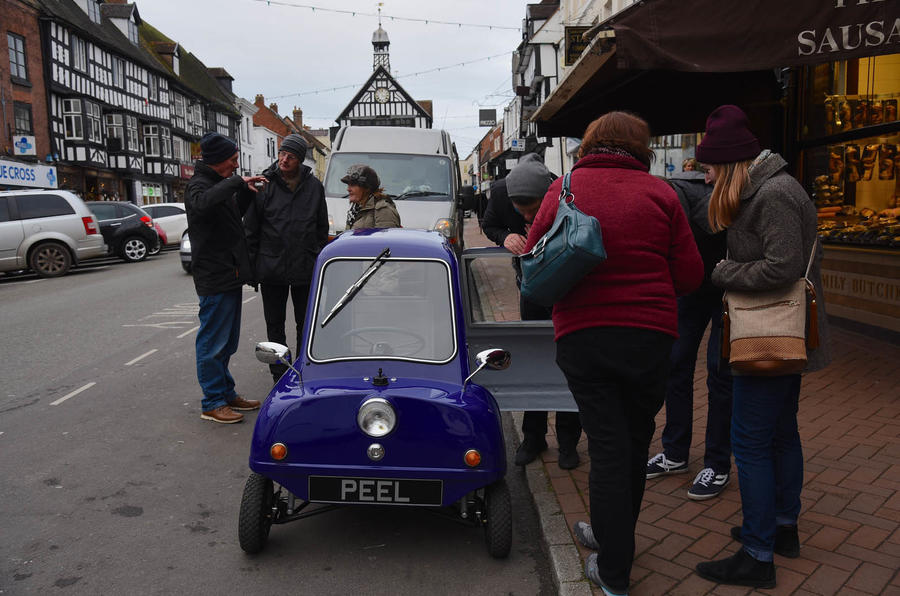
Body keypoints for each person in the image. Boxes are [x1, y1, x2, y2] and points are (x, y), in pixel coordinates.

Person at [525, 112, 703, 596]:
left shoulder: (566, 187)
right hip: (650, 337)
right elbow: (690, 275)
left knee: (605, 446)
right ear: (641, 146)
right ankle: (613, 539)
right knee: (635, 440)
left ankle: (614, 568)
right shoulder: (663, 194)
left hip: (584, 335)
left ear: (590, 142)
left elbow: (538, 248)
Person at [694, 105, 831, 588]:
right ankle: (781, 528)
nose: (706, 179)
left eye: (709, 169)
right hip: (778, 335)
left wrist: (723, 273)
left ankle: (757, 553)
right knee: (778, 434)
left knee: (750, 443)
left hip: (768, 337)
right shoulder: (767, 189)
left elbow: (782, 266)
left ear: (730, 163)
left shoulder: (772, 194)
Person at [482, 153, 582, 470]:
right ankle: (533, 437)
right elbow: (489, 224)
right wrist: (505, 236)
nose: (526, 217)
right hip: (530, 286)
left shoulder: (564, 192)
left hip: (566, 285)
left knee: (568, 359)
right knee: (534, 357)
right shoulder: (498, 193)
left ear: (548, 197)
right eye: (520, 211)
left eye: (533, 209)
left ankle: (568, 441)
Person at [646, 165, 734, 500]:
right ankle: (675, 453)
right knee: (675, 364)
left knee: (720, 372)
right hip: (692, 286)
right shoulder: (659, 200)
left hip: (728, 286)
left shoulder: (699, 206)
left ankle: (717, 463)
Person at [185, 132, 267, 424]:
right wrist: (235, 183)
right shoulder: (199, 185)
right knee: (213, 343)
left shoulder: (218, 184)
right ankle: (212, 402)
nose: (235, 165)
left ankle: (226, 393)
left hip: (229, 274)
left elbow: (231, 217)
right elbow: (202, 205)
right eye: (232, 160)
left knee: (227, 341)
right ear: (218, 161)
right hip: (214, 276)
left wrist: (245, 192)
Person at [244, 134, 329, 382]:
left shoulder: (314, 187)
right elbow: (252, 228)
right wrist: (252, 270)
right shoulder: (264, 184)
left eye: (290, 156)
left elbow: (321, 228)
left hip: (305, 266)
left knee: (305, 324)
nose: (284, 159)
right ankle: (280, 375)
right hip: (272, 267)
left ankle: (303, 369)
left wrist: (317, 257)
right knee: (275, 326)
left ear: (300, 159)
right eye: (281, 154)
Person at [342, 164, 401, 229]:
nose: (348, 189)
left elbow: (386, 238)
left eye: (353, 185)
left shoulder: (383, 210)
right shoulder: (355, 210)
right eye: (348, 185)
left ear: (366, 188)